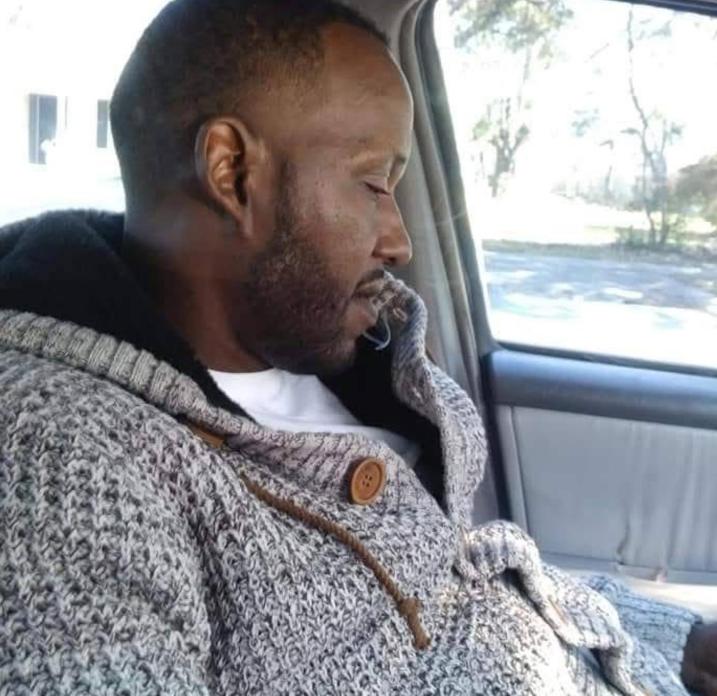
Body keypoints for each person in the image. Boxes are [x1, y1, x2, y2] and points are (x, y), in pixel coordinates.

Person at [0, 1, 715, 693]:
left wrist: (671, 637)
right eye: (375, 183)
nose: (400, 243)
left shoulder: (332, 353)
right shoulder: (58, 459)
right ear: (231, 172)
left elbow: (451, 576)